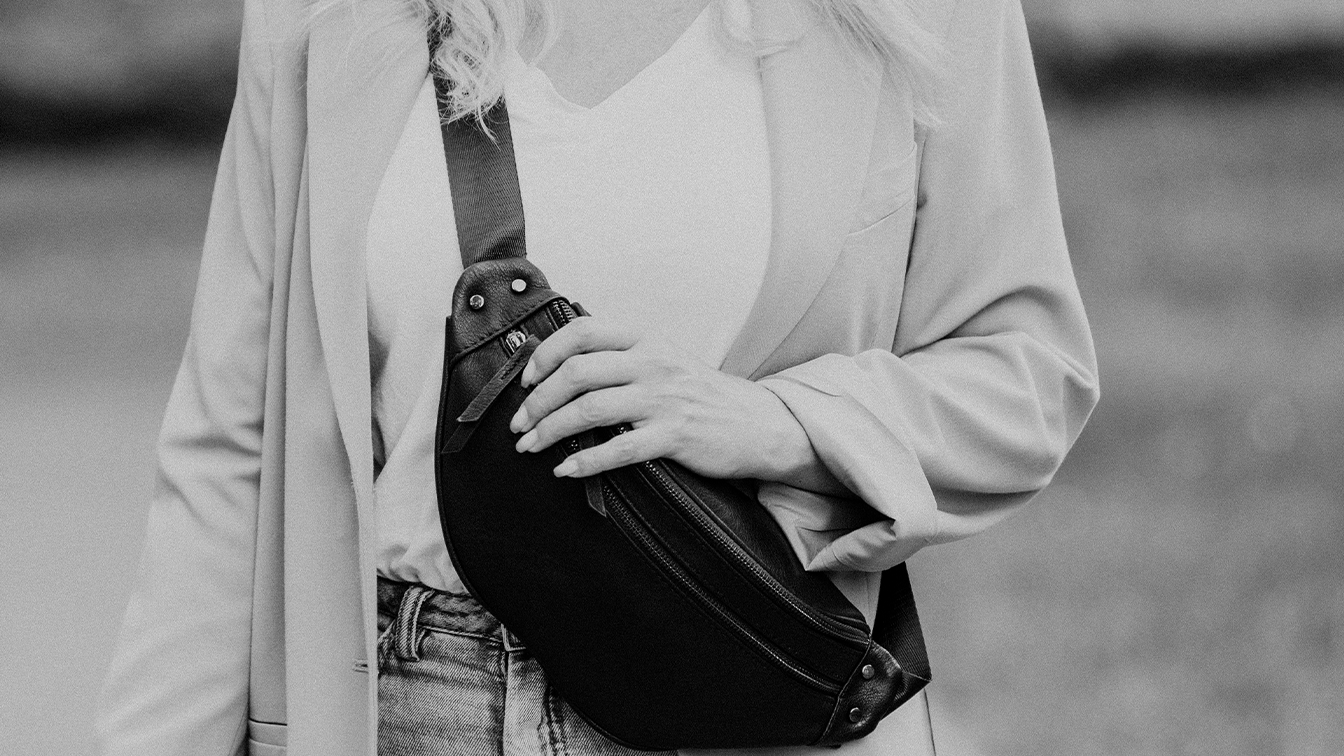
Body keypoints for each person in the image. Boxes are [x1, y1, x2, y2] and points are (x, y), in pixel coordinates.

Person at [97, 0, 1099, 753]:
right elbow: (232, 445)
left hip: (736, 696)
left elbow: (1027, 369)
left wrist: (780, 421)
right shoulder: (323, 16)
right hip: (405, 699)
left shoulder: (917, 15)